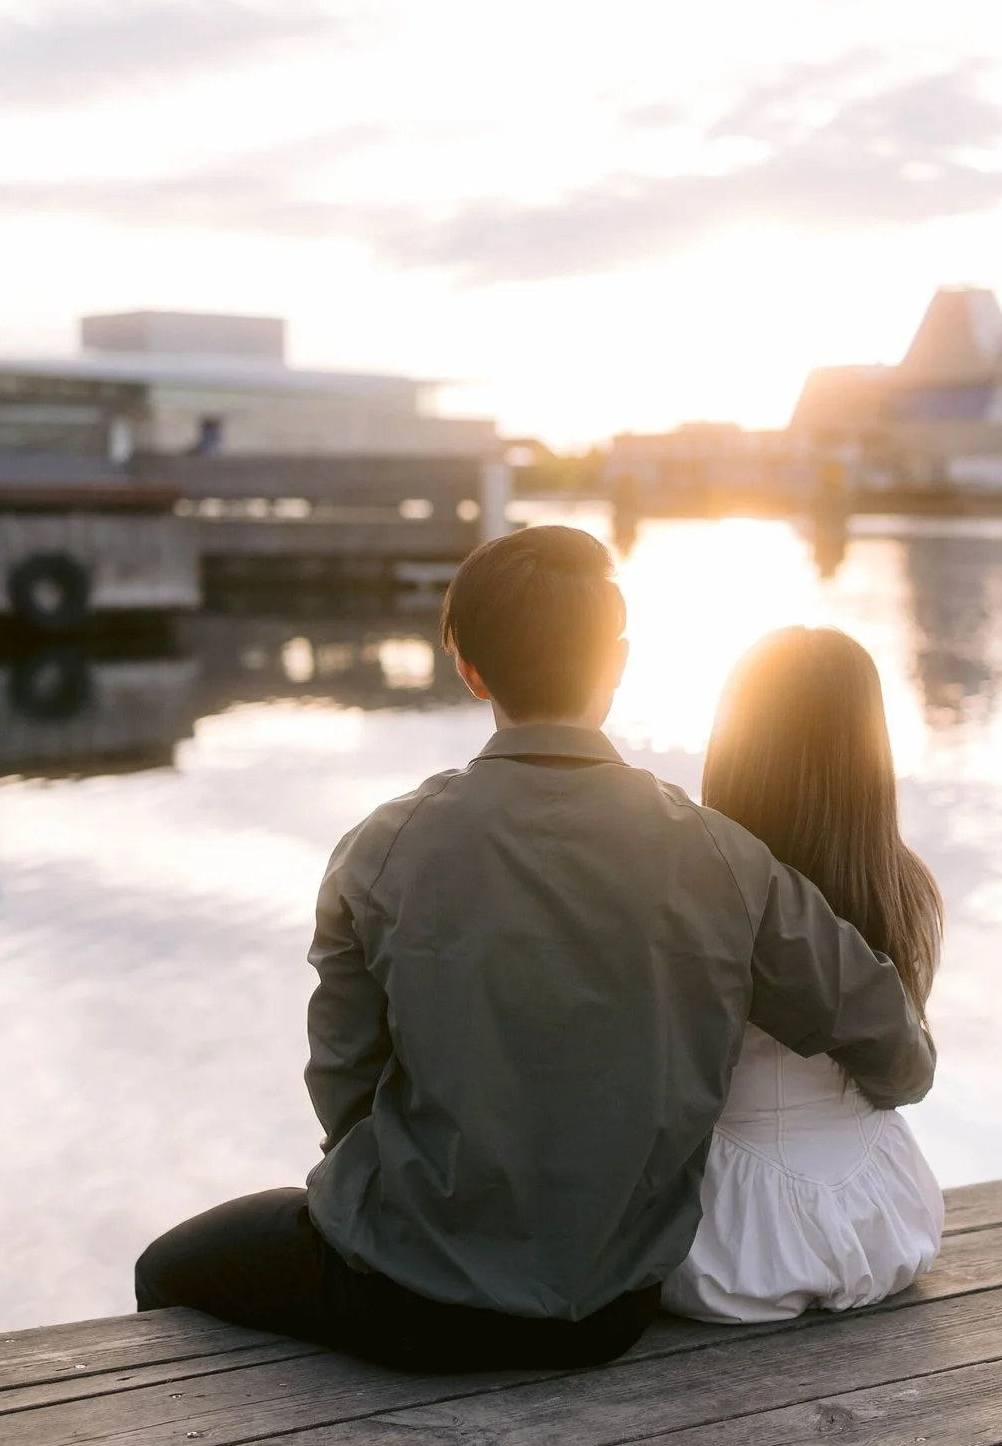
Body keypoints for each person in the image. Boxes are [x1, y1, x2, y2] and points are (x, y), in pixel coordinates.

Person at [133, 526, 933, 1372]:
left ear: (471, 670)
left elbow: (344, 1087)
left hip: (406, 1294)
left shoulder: (381, 849)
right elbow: (897, 1048)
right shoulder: (727, 860)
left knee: (167, 1270)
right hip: (610, 1310)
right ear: (616, 663)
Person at [662, 627, 946, 1322]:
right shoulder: (903, 886)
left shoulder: (699, 891)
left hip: (733, 1246)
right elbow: (895, 1074)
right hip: (885, 1222)